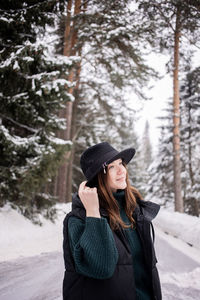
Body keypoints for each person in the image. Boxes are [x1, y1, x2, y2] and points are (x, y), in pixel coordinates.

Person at [62, 142, 162, 300]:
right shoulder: (78, 219)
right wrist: (93, 212)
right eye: (111, 167)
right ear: (97, 176)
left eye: (121, 163)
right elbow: (102, 268)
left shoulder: (134, 210)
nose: (122, 170)